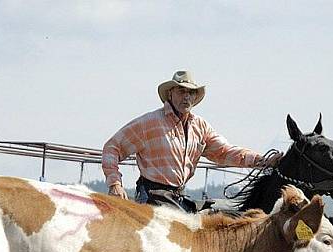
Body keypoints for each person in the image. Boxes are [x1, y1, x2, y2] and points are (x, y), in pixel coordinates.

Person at [102, 70, 280, 210]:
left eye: (191, 92)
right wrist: (115, 183)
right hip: (151, 197)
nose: (187, 96)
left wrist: (262, 161)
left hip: (177, 198)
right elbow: (112, 147)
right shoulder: (149, 123)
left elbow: (225, 152)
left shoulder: (200, 127)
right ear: (170, 94)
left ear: (195, 97)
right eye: (181, 91)